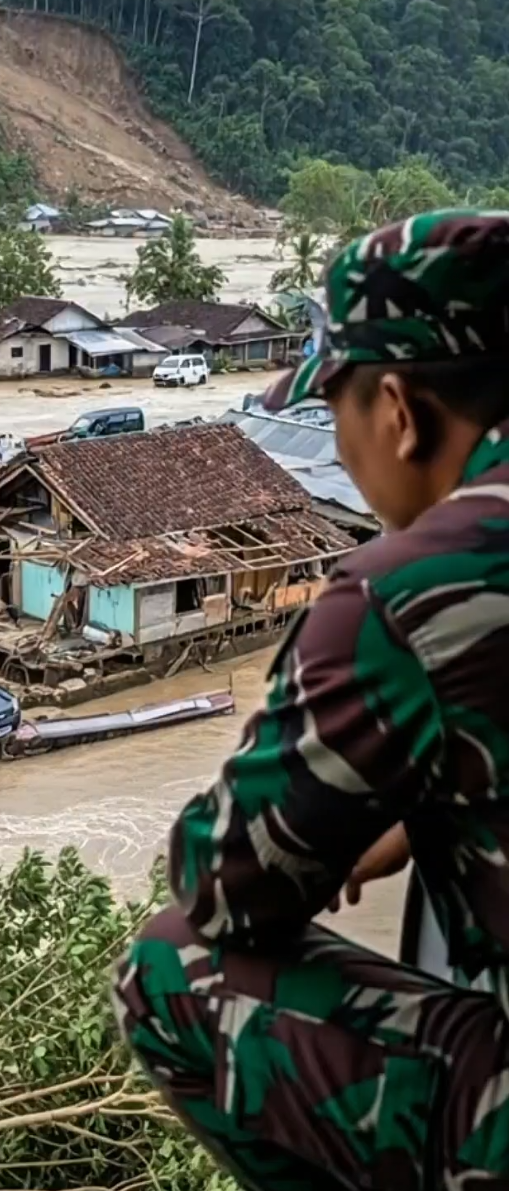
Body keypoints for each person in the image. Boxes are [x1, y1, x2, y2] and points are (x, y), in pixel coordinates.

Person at [113, 210, 509, 1191]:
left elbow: (225, 886)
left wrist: (362, 797)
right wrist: (419, 817)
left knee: (166, 970)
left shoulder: (403, 593)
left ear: (397, 411)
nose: (333, 446)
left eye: (331, 411)